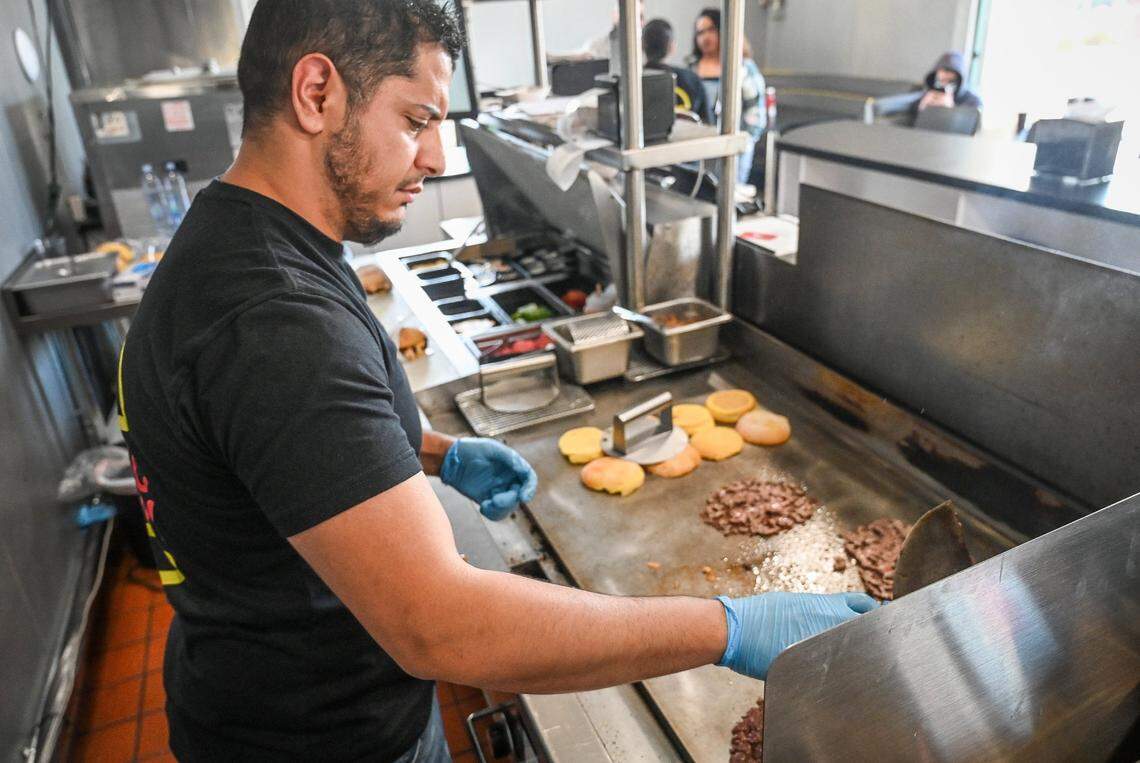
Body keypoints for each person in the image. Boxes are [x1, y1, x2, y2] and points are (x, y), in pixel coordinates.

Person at [117, 0, 878, 759]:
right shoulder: (275, 319)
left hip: (257, 692)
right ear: (316, 93)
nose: (438, 156)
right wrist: (728, 625)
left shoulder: (244, 241)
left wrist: (438, 452)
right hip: (319, 739)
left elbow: (284, 447)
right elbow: (438, 624)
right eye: (417, 120)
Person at [689, 8, 766, 185]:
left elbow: (756, 113)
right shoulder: (692, 68)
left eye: (711, 30)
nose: (705, 37)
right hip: (699, 149)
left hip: (733, 150)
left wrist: (742, 143)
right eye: (700, 32)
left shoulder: (743, 67)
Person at [643, 18, 712, 123]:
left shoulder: (631, 83)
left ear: (642, 45)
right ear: (671, 46)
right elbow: (708, 125)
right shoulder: (692, 80)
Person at [915, 51, 983, 113]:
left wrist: (951, 109)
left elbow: (969, 122)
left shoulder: (973, 102)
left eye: (950, 81)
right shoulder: (923, 93)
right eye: (941, 81)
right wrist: (922, 107)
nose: (944, 85)